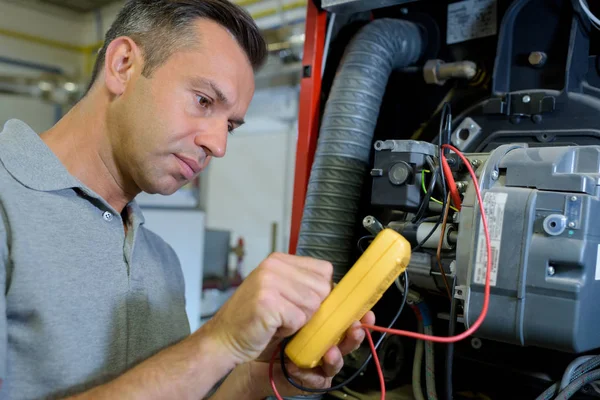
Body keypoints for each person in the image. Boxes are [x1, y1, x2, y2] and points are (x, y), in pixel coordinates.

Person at [0, 0, 376, 399]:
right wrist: (217, 343)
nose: (217, 145)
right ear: (123, 64)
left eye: (229, 125)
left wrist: (256, 375)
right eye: (203, 100)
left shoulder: (162, 262)